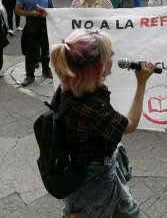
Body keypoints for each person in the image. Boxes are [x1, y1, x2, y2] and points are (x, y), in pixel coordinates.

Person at [50, 29, 154, 218]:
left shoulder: (68, 87)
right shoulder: (92, 108)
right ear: (97, 68)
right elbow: (130, 125)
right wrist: (141, 83)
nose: (114, 55)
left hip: (84, 170)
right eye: (109, 54)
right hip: (95, 180)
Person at [15, 0, 54, 87]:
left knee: (46, 49)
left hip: (44, 23)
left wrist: (46, 12)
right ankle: (29, 75)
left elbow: (52, 10)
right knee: (31, 51)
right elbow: (17, 10)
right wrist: (31, 13)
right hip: (31, 23)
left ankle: (46, 70)